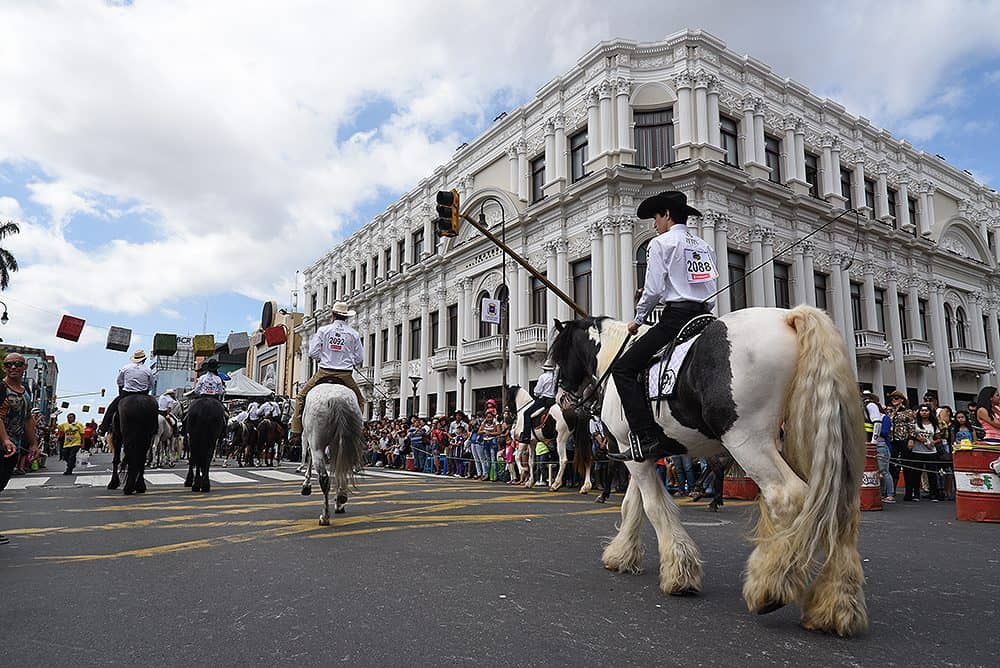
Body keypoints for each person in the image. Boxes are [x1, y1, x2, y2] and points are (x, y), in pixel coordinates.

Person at [609, 191, 717, 463]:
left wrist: (638, 318)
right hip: (704, 317)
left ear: (667, 215)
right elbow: (709, 290)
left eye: (656, 218)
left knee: (623, 368)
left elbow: (654, 290)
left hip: (676, 319)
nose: (654, 224)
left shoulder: (661, 243)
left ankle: (647, 437)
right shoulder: (704, 245)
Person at [289, 301, 365, 447]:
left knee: (300, 397)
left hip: (324, 372)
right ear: (346, 317)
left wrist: (323, 357)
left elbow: (313, 352)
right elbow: (359, 358)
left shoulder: (324, 331)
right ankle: (358, 432)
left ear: (332, 315)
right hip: (345, 374)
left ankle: (296, 431)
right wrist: (348, 360)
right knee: (360, 401)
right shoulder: (353, 334)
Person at [99, 350, 154, 435]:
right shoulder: (148, 370)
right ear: (144, 360)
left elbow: (119, 382)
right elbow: (151, 385)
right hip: (143, 393)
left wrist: (121, 391)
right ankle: (155, 428)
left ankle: (103, 428)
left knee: (111, 408)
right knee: (154, 408)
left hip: (127, 393)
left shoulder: (125, 368)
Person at [1, 354, 38, 480]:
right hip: (3, 443)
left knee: (3, 482)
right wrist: (5, 439)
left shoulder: (25, 391)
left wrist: (33, 443)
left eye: (17, 364)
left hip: (14, 446)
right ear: (4, 368)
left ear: (25, 367)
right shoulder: (2, 388)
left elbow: (27, 418)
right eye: (8, 365)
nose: (13, 367)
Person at [906, 404, 941, 502]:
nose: (924, 412)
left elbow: (939, 438)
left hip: (931, 452)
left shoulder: (934, 425)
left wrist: (933, 442)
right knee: (916, 473)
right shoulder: (915, 424)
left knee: (932, 474)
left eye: (926, 411)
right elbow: (911, 434)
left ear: (930, 412)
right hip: (917, 451)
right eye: (922, 411)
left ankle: (933, 494)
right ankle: (916, 494)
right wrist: (918, 438)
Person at [518, 361, 557, 443]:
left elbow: (537, 391)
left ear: (545, 369)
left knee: (527, 413)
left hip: (544, 400)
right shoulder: (555, 377)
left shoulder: (543, 377)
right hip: (554, 400)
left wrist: (536, 394)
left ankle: (526, 436)